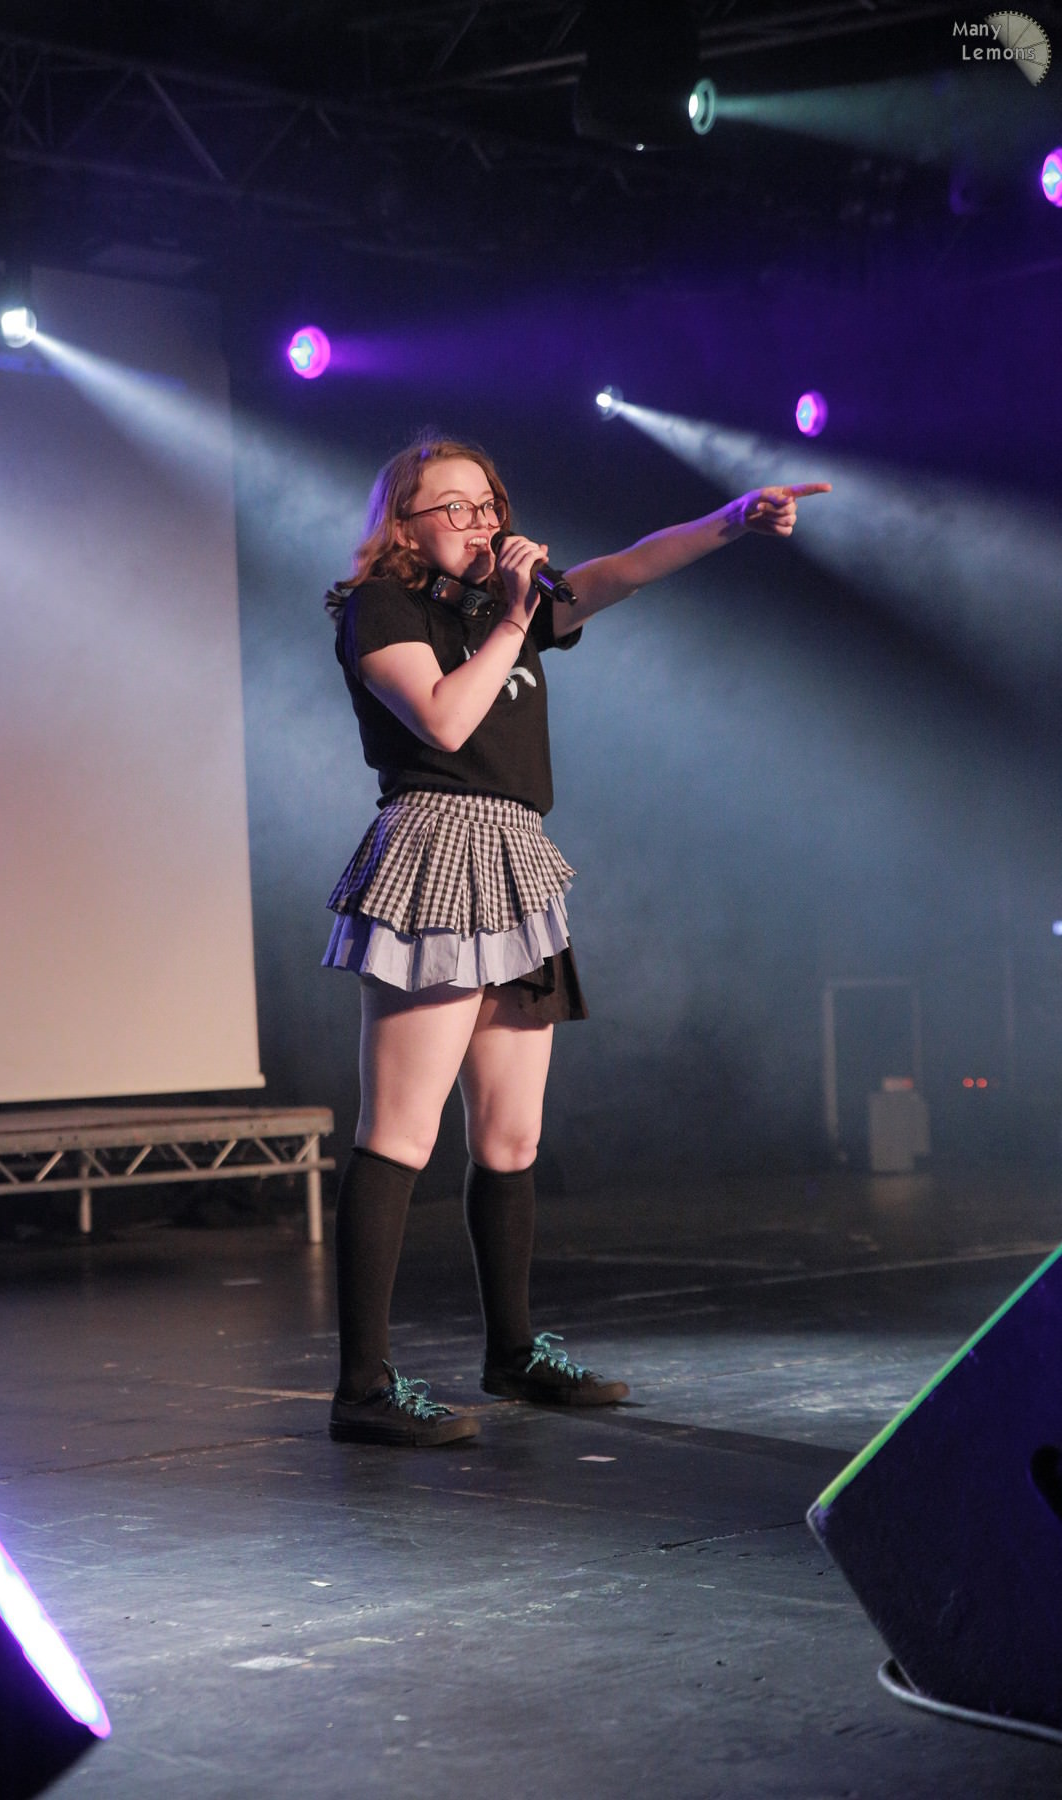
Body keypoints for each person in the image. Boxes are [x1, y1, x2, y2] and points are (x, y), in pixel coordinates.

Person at [323, 434, 829, 1447]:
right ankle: (362, 1386)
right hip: (435, 844)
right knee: (402, 1133)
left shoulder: (510, 602)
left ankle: (512, 1353)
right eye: (453, 507)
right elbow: (444, 722)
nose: (479, 522)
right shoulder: (382, 609)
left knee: (513, 1137)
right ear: (403, 526)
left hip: (516, 857)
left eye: (488, 504)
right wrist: (515, 618)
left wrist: (731, 522)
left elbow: (625, 569)